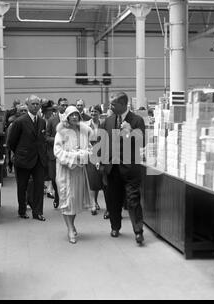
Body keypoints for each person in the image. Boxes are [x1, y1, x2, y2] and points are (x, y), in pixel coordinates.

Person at [100, 92, 146, 245]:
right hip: (112, 168)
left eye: (113, 104)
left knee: (133, 200)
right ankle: (115, 227)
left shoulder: (137, 120)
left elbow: (143, 143)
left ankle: (138, 231)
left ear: (123, 104)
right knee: (113, 200)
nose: (110, 106)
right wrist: (101, 162)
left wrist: (130, 132)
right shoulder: (108, 121)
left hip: (130, 169)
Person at [54, 105, 94, 244]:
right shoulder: (61, 132)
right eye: (72, 115)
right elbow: (57, 151)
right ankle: (70, 229)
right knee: (67, 200)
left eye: (76, 114)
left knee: (75, 200)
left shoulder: (84, 131)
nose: (75, 117)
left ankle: (71, 225)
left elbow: (89, 149)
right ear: (67, 117)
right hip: (65, 171)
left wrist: (82, 155)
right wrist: (72, 157)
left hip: (78, 171)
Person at [7, 95, 47, 222]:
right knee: (22, 186)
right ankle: (22, 210)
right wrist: (19, 153)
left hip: (39, 159)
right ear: (28, 105)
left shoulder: (42, 121)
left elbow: (42, 139)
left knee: (39, 186)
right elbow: (11, 142)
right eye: (33, 104)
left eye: (37, 104)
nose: (35, 106)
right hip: (23, 159)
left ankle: (38, 212)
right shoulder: (19, 122)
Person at [85, 104, 108, 217]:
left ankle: (97, 202)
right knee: (92, 179)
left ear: (100, 113)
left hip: (102, 155)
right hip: (90, 155)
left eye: (95, 111)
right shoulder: (85, 125)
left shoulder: (103, 124)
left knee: (100, 179)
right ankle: (93, 204)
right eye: (91, 111)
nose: (93, 113)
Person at [45, 97, 69, 208]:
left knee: (68, 177)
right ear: (58, 106)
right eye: (62, 105)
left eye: (66, 105)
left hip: (68, 153)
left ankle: (66, 198)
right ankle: (57, 196)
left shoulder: (72, 118)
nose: (64, 107)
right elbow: (46, 136)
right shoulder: (51, 120)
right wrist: (57, 140)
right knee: (54, 177)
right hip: (54, 154)